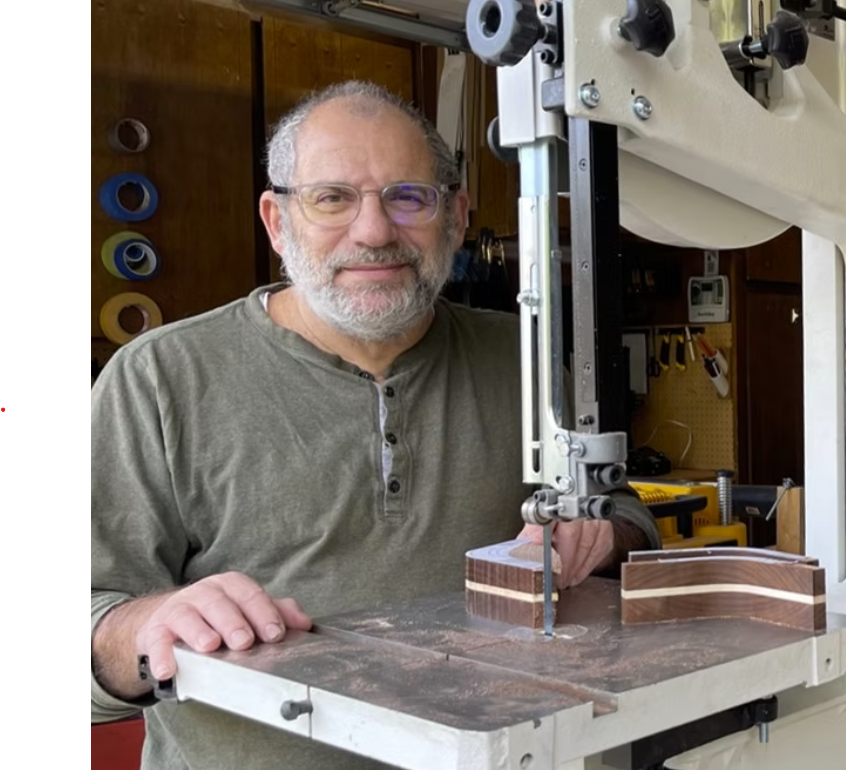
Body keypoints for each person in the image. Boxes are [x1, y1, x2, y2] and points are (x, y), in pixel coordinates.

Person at [91, 80, 660, 770]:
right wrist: (149, 626)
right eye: (332, 198)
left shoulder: (527, 359)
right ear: (276, 221)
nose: (373, 232)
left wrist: (600, 536)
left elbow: (625, 514)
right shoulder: (152, 375)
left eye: (407, 196)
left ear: (455, 214)